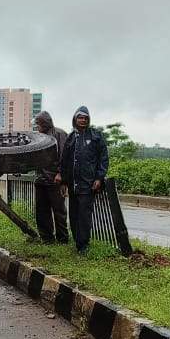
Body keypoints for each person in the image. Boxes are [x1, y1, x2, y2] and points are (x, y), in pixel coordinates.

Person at [59, 106, 109, 253]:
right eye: (80, 117)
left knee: (84, 215)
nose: (83, 120)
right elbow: (65, 160)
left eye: (85, 118)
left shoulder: (95, 136)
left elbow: (103, 159)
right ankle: (77, 241)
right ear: (75, 119)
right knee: (73, 214)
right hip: (73, 184)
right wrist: (63, 181)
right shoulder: (71, 137)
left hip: (88, 184)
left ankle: (84, 244)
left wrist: (99, 177)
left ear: (89, 120)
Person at [33, 111, 69, 244]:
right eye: (37, 124)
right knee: (41, 211)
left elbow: (64, 156)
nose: (37, 126)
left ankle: (62, 238)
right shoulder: (38, 137)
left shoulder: (60, 134)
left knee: (59, 211)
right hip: (40, 179)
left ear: (45, 122)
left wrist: (61, 174)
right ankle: (47, 238)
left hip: (55, 179)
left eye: (39, 123)